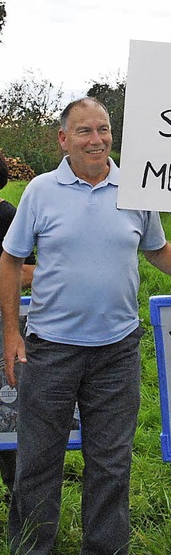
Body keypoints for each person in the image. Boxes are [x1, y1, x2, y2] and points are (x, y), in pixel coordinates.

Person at [0, 98, 171, 555]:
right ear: (63, 139)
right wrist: (12, 332)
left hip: (117, 352)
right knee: (37, 464)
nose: (97, 140)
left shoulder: (136, 188)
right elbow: (10, 261)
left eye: (104, 130)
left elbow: (158, 249)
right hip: (50, 349)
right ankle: (32, 548)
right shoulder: (40, 191)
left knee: (110, 464)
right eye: (85, 131)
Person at [0, 153, 35, 501]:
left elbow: (30, 271)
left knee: (5, 413)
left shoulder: (8, 216)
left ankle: (17, 495)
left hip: (3, 328)